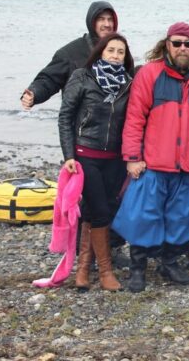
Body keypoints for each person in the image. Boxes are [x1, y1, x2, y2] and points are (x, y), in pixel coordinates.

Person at [112, 23, 189, 292]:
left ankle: (169, 262)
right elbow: (135, 118)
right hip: (153, 164)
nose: (182, 48)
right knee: (143, 217)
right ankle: (138, 267)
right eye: (177, 43)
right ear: (167, 45)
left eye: (188, 44)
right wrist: (132, 156)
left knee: (180, 217)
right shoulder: (149, 74)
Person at [58, 33, 134, 292]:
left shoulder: (127, 83)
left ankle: (82, 269)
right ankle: (105, 271)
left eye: (120, 52)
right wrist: (69, 155)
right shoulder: (83, 76)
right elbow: (66, 116)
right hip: (85, 155)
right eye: (111, 50)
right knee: (101, 212)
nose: (115, 55)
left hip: (113, 159)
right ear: (101, 52)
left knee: (93, 212)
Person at [22, 1, 117, 109]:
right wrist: (34, 93)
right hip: (79, 123)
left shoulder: (120, 52)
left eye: (110, 19)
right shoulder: (69, 53)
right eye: (101, 19)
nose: (107, 24)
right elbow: (49, 80)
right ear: (91, 21)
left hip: (113, 122)